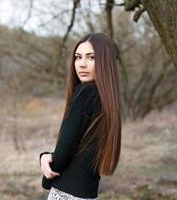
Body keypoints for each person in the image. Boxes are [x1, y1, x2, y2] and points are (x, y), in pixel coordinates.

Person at [39, 33, 122, 200]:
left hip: (67, 193)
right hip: (88, 192)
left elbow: (66, 147)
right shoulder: (106, 97)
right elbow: (79, 145)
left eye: (91, 57)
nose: (82, 64)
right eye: (78, 57)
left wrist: (46, 168)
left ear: (104, 61)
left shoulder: (86, 92)